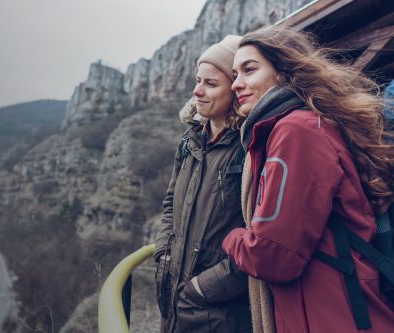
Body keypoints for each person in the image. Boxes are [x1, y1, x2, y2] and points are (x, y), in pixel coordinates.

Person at [222, 26, 394, 333]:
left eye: (249, 70)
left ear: (284, 71)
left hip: (335, 316)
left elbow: (273, 255)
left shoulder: (296, 130)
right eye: (235, 74)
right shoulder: (302, 124)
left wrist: (230, 237)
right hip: (330, 309)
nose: (237, 84)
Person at [154, 35, 251, 333]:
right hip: (174, 296)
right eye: (198, 80)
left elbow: (262, 234)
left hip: (222, 311)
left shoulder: (249, 146)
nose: (197, 91)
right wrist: (163, 254)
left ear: (235, 89)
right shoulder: (190, 139)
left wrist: (201, 288)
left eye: (210, 84)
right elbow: (171, 201)